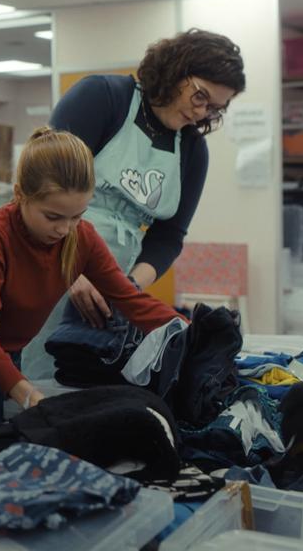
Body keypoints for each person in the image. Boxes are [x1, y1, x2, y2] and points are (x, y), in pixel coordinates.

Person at [0, 129, 187, 432]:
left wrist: (190, 332)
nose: (65, 229)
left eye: (76, 216)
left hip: (3, 355)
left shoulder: (82, 237)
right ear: (20, 195)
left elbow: (130, 299)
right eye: (53, 217)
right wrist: (31, 397)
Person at [22, 29, 245, 381]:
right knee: (29, 379)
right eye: (200, 96)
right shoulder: (102, 98)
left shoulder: (190, 151)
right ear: (175, 69)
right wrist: (69, 268)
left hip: (111, 287)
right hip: (48, 261)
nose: (201, 112)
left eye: (214, 108)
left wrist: (127, 289)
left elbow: (168, 237)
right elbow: (36, 189)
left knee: (80, 387)